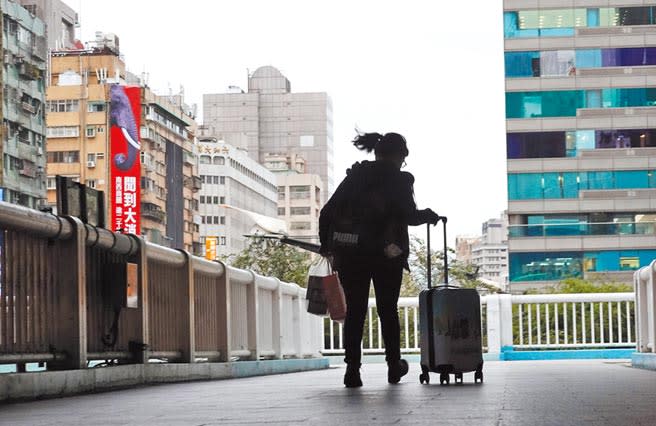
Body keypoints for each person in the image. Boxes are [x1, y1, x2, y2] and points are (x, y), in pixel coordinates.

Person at [319, 132, 439, 388]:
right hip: (388, 254)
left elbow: (327, 212)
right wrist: (428, 215)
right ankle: (393, 366)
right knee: (388, 310)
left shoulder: (355, 176)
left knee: (355, 311)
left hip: (351, 254)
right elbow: (408, 215)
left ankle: (352, 370)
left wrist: (325, 245)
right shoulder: (399, 179)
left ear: (377, 152)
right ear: (400, 155)